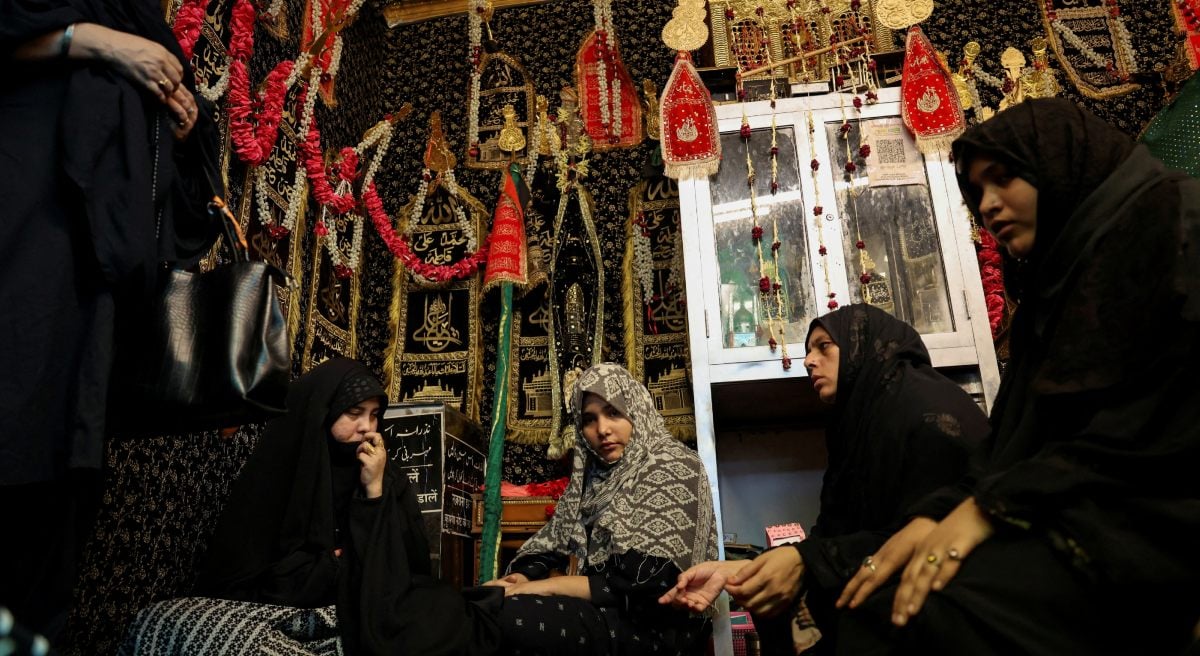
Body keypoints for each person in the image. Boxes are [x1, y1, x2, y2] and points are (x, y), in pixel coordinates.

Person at [834, 98, 1200, 654]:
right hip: (1072, 506)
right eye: (977, 193)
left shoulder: (1172, 218)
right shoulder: (1056, 289)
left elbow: (1160, 420)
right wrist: (937, 515)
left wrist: (994, 507)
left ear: (1060, 161)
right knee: (877, 593)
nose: (989, 206)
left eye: (1003, 179)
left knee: (916, 616)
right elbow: (1011, 444)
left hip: (1154, 515)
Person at [0, 0, 219, 643]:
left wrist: (179, 127)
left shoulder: (138, 10)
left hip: (93, 284)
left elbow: (177, 190)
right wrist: (93, 42)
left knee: (62, 489)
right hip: (20, 233)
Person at [660, 304, 988, 654]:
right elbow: (835, 538)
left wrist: (804, 565)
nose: (808, 361)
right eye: (807, 351)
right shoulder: (857, 425)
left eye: (823, 347)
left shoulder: (928, 412)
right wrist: (740, 573)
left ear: (861, 346)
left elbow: (929, 537)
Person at [121, 359, 502, 655]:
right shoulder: (285, 466)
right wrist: (335, 566)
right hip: (285, 609)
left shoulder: (386, 474)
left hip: (363, 607)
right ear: (324, 411)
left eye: (374, 415)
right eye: (354, 413)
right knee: (174, 620)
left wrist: (374, 491)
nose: (368, 428)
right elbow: (244, 578)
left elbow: (406, 569)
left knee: (443, 613)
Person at [484, 362, 718, 655]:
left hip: (658, 628)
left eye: (613, 413)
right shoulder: (593, 480)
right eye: (589, 419)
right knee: (485, 607)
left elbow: (651, 582)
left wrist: (548, 587)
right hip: (607, 615)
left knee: (513, 621)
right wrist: (524, 577)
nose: (602, 430)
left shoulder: (673, 464)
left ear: (635, 411)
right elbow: (553, 538)